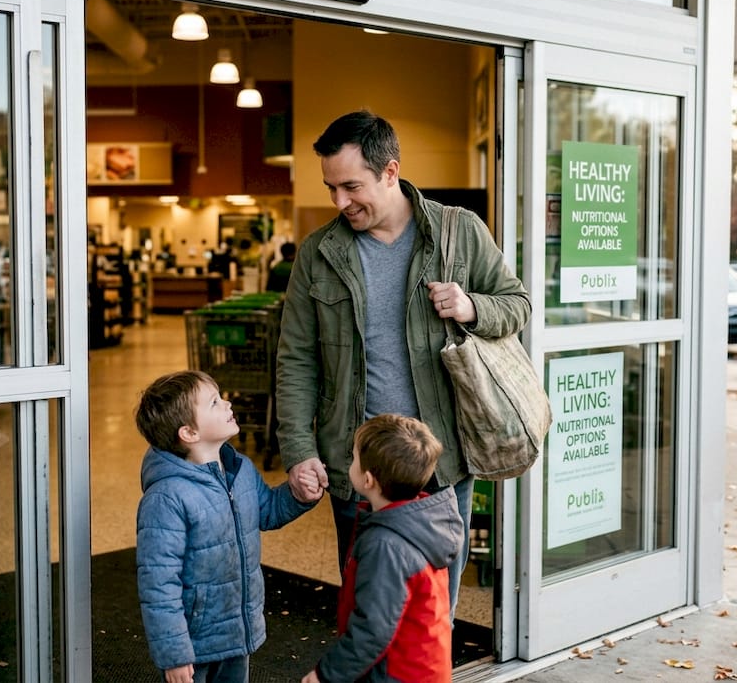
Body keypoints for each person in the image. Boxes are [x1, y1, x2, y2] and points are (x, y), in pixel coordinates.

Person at [275, 109, 531, 617]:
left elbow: (517, 304)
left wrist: (472, 306)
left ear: (390, 172)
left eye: (351, 186)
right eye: (331, 188)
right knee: (364, 609)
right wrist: (300, 450)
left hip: (440, 460)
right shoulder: (318, 253)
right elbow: (296, 358)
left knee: (434, 610)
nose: (339, 201)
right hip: (356, 467)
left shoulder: (460, 232)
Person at [135, 370, 322, 683]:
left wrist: (297, 496)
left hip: (236, 629)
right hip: (193, 644)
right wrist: (174, 653)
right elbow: (158, 584)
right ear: (189, 433)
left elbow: (267, 511)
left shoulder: (238, 469)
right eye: (214, 402)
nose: (227, 404)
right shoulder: (166, 498)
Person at [301, 414, 463, 683]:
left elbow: (373, 629)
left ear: (368, 480)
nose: (349, 462)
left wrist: (326, 675)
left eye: (353, 458)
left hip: (395, 673)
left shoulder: (386, 545)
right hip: (423, 668)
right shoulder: (422, 521)